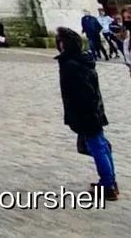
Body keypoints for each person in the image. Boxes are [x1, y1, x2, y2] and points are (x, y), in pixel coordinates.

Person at [55, 27, 118, 200]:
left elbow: (84, 93)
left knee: (98, 147)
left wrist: (84, 115)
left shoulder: (72, 65)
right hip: (91, 112)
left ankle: (108, 186)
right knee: (100, 146)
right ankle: (110, 181)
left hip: (87, 114)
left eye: (60, 41)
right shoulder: (80, 61)